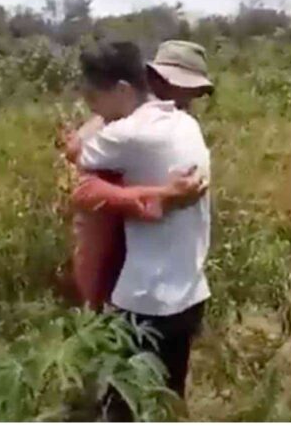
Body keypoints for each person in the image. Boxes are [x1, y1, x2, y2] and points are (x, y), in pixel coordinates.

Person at [74, 41, 211, 420]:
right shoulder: (186, 124)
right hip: (190, 291)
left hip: (145, 300)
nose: (90, 106)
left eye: (93, 97)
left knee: (122, 405)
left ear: (121, 89)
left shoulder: (127, 134)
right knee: (167, 399)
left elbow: (75, 157)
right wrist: (159, 195)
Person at [61, 40, 213, 311]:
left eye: (194, 93)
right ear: (151, 80)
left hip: (154, 291)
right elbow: (85, 184)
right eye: (180, 88)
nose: (186, 101)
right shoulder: (127, 127)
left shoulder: (169, 124)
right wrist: (158, 197)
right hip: (148, 285)